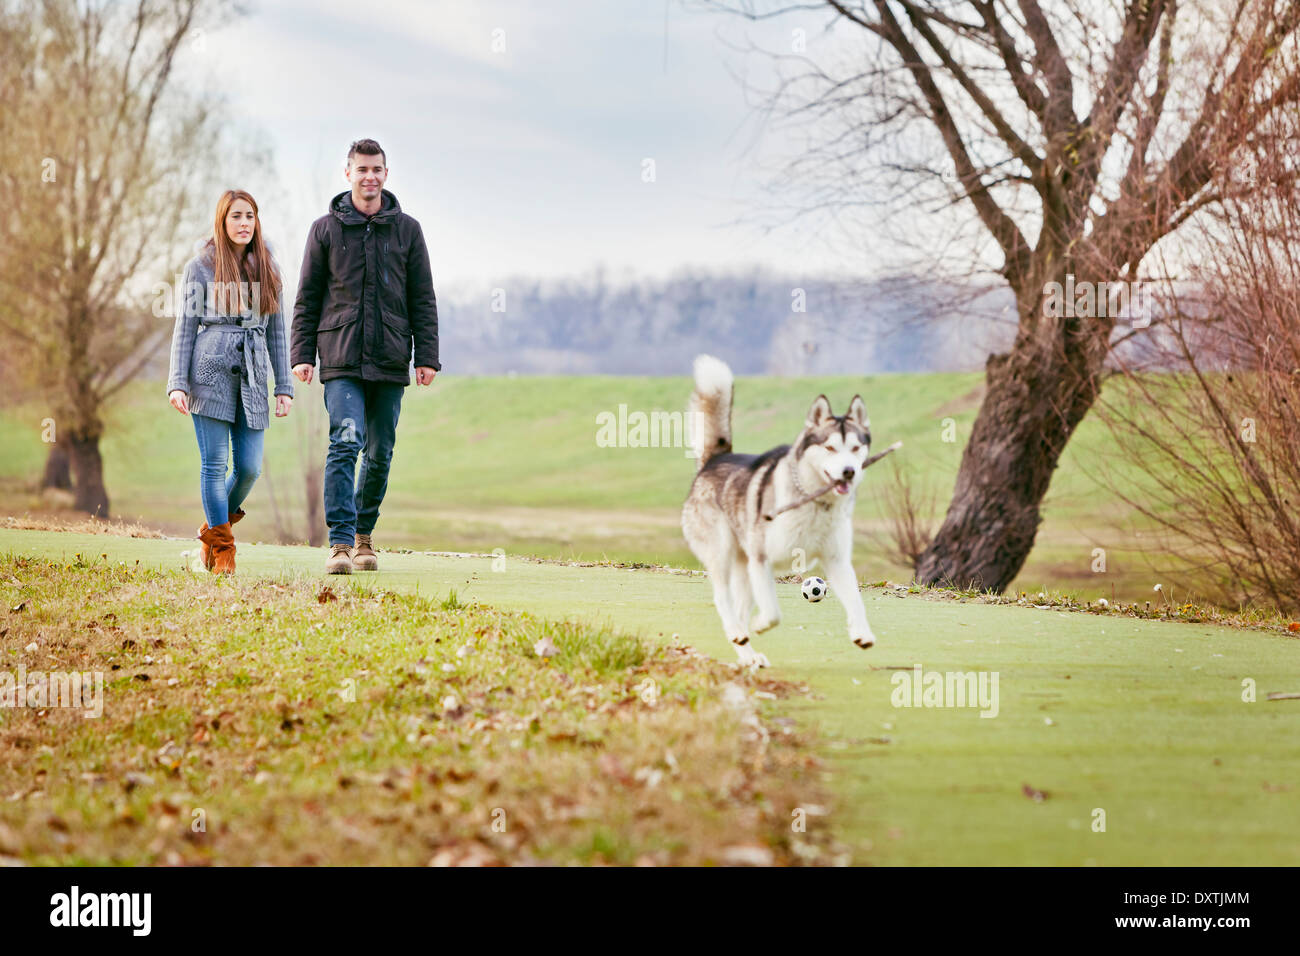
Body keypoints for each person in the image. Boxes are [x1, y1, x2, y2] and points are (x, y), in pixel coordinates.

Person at [290, 138, 440, 574]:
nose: (369, 177)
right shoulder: (324, 230)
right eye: (362, 169)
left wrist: (426, 356)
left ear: (386, 175)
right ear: (348, 174)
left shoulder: (408, 230)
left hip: (390, 357)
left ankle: (363, 535)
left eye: (377, 169)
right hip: (340, 357)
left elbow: (423, 298)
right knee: (345, 440)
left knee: (380, 452)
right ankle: (338, 544)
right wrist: (302, 353)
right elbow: (308, 297)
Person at [167, 189, 294, 574]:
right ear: (222, 222)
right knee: (214, 464)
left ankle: (212, 531)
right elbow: (185, 328)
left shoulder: (268, 267)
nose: (244, 223)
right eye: (236, 216)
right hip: (209, 373)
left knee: (250, 467)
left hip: (254, 377)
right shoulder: (200, 267)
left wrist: (283, 386)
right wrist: (177, 381)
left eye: (250, 216)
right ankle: (223, 552)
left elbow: (277, 332)